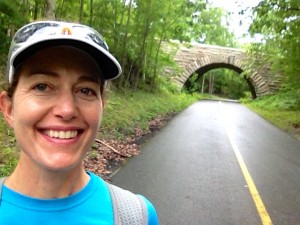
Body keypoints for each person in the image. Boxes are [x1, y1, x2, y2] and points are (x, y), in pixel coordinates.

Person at [0, 21, 159, 225]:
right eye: (42, 87)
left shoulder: (137, 217)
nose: (66, 110)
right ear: (9, 108)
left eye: (85, 90)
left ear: (102, 106)